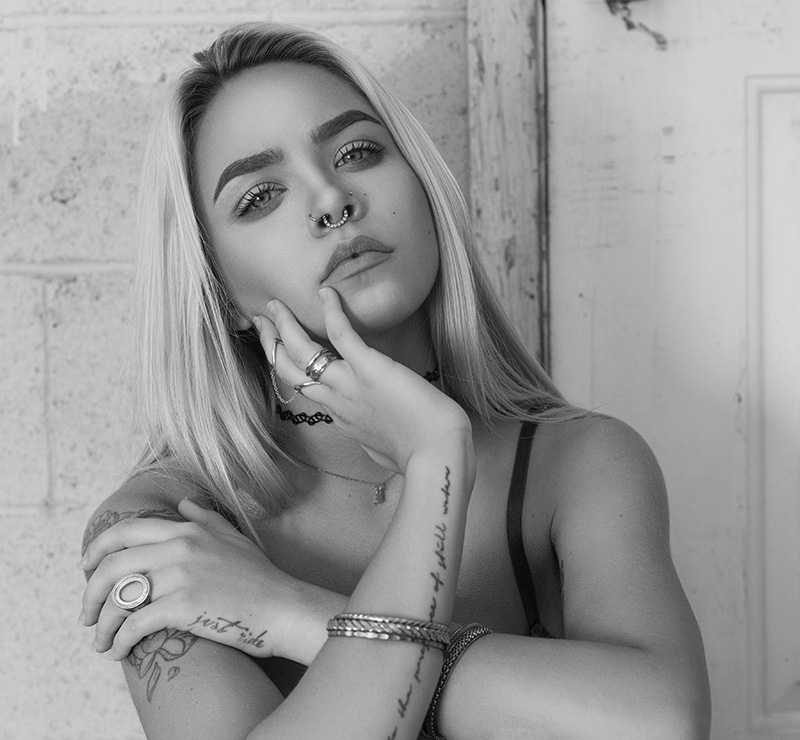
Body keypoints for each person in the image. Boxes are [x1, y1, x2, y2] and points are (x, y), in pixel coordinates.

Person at [78, 22, 711, 740]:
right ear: (217, 290)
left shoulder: (581, 462)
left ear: (423, 188)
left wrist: (291, 611)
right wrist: (434, 459)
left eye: (356, 152)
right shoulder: (162, 526)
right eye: (260, 196)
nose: (331, 199)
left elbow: (663, 722)